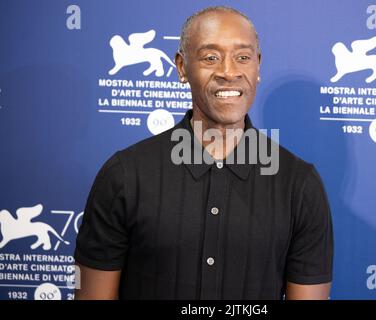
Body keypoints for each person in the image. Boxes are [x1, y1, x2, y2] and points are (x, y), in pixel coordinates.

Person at [74, 6, 333, 300]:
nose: (228, 72)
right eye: (211, 57)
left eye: (243, 57)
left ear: (258, 67)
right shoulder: (124, 175)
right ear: (182, 67)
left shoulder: (298, 185)